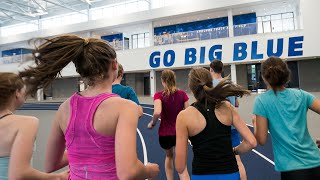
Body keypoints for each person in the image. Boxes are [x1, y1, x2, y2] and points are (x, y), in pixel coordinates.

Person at [19, 35, 159, 179]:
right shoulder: (125, 108)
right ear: (114, 65)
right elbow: (128, 172)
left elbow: (50, 165)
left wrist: (82, 152)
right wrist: (149, 170)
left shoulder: (64, 109)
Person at [175, 68, 257, 180]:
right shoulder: (227, 107)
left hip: (201, 175)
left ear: (190, 87)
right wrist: (234, 151)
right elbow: (251, 142)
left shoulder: (184, 116)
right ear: (211, 83)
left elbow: (180, 167)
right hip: (230, 174)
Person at [252, 57, 320, 180]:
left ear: (264, 77)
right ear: (286, 74)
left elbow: (261, 140)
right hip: (316, 162)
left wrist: (255, 124)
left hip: (292, 170)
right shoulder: (301, 95)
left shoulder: (261, 101)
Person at [0, 72, 69, 180]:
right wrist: (57, 177)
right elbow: (19, 173)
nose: (26, 93)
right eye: (24, 89)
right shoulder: (26, 123)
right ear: (17, 93)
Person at [147, 69, 190, 180]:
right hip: (180, 132)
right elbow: (188, 112)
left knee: (169, 156)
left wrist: (153, 122)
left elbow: (157, 111)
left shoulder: (159, 95)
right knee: (182, 166)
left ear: (163, 80)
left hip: (165, 134)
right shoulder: (182, 94)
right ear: (174, 80)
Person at [210, 60, 246, 179]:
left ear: (211, 70)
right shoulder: (230, 84)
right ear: (222, 69)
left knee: (216, 160)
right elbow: (236, 104)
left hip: (217, 128)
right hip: (232, 126)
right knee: (237, 159)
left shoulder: (209, 86)